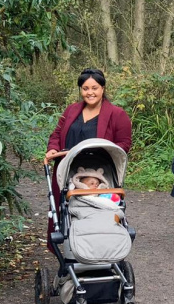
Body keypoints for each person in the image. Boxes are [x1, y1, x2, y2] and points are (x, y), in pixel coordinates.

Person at [44, 68, 132, 250]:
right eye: (85, 88)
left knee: (93, 211)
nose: (90, 92)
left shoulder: (117, 114)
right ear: (80, 90)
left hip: (97, 172)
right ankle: (67, 248)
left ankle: (97, 247)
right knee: (64, 209)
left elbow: (123, 144)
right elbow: (57, 134)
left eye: (94, 88)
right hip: (68, 169)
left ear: (103, 88)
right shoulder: (71, 111)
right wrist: (52, 148)